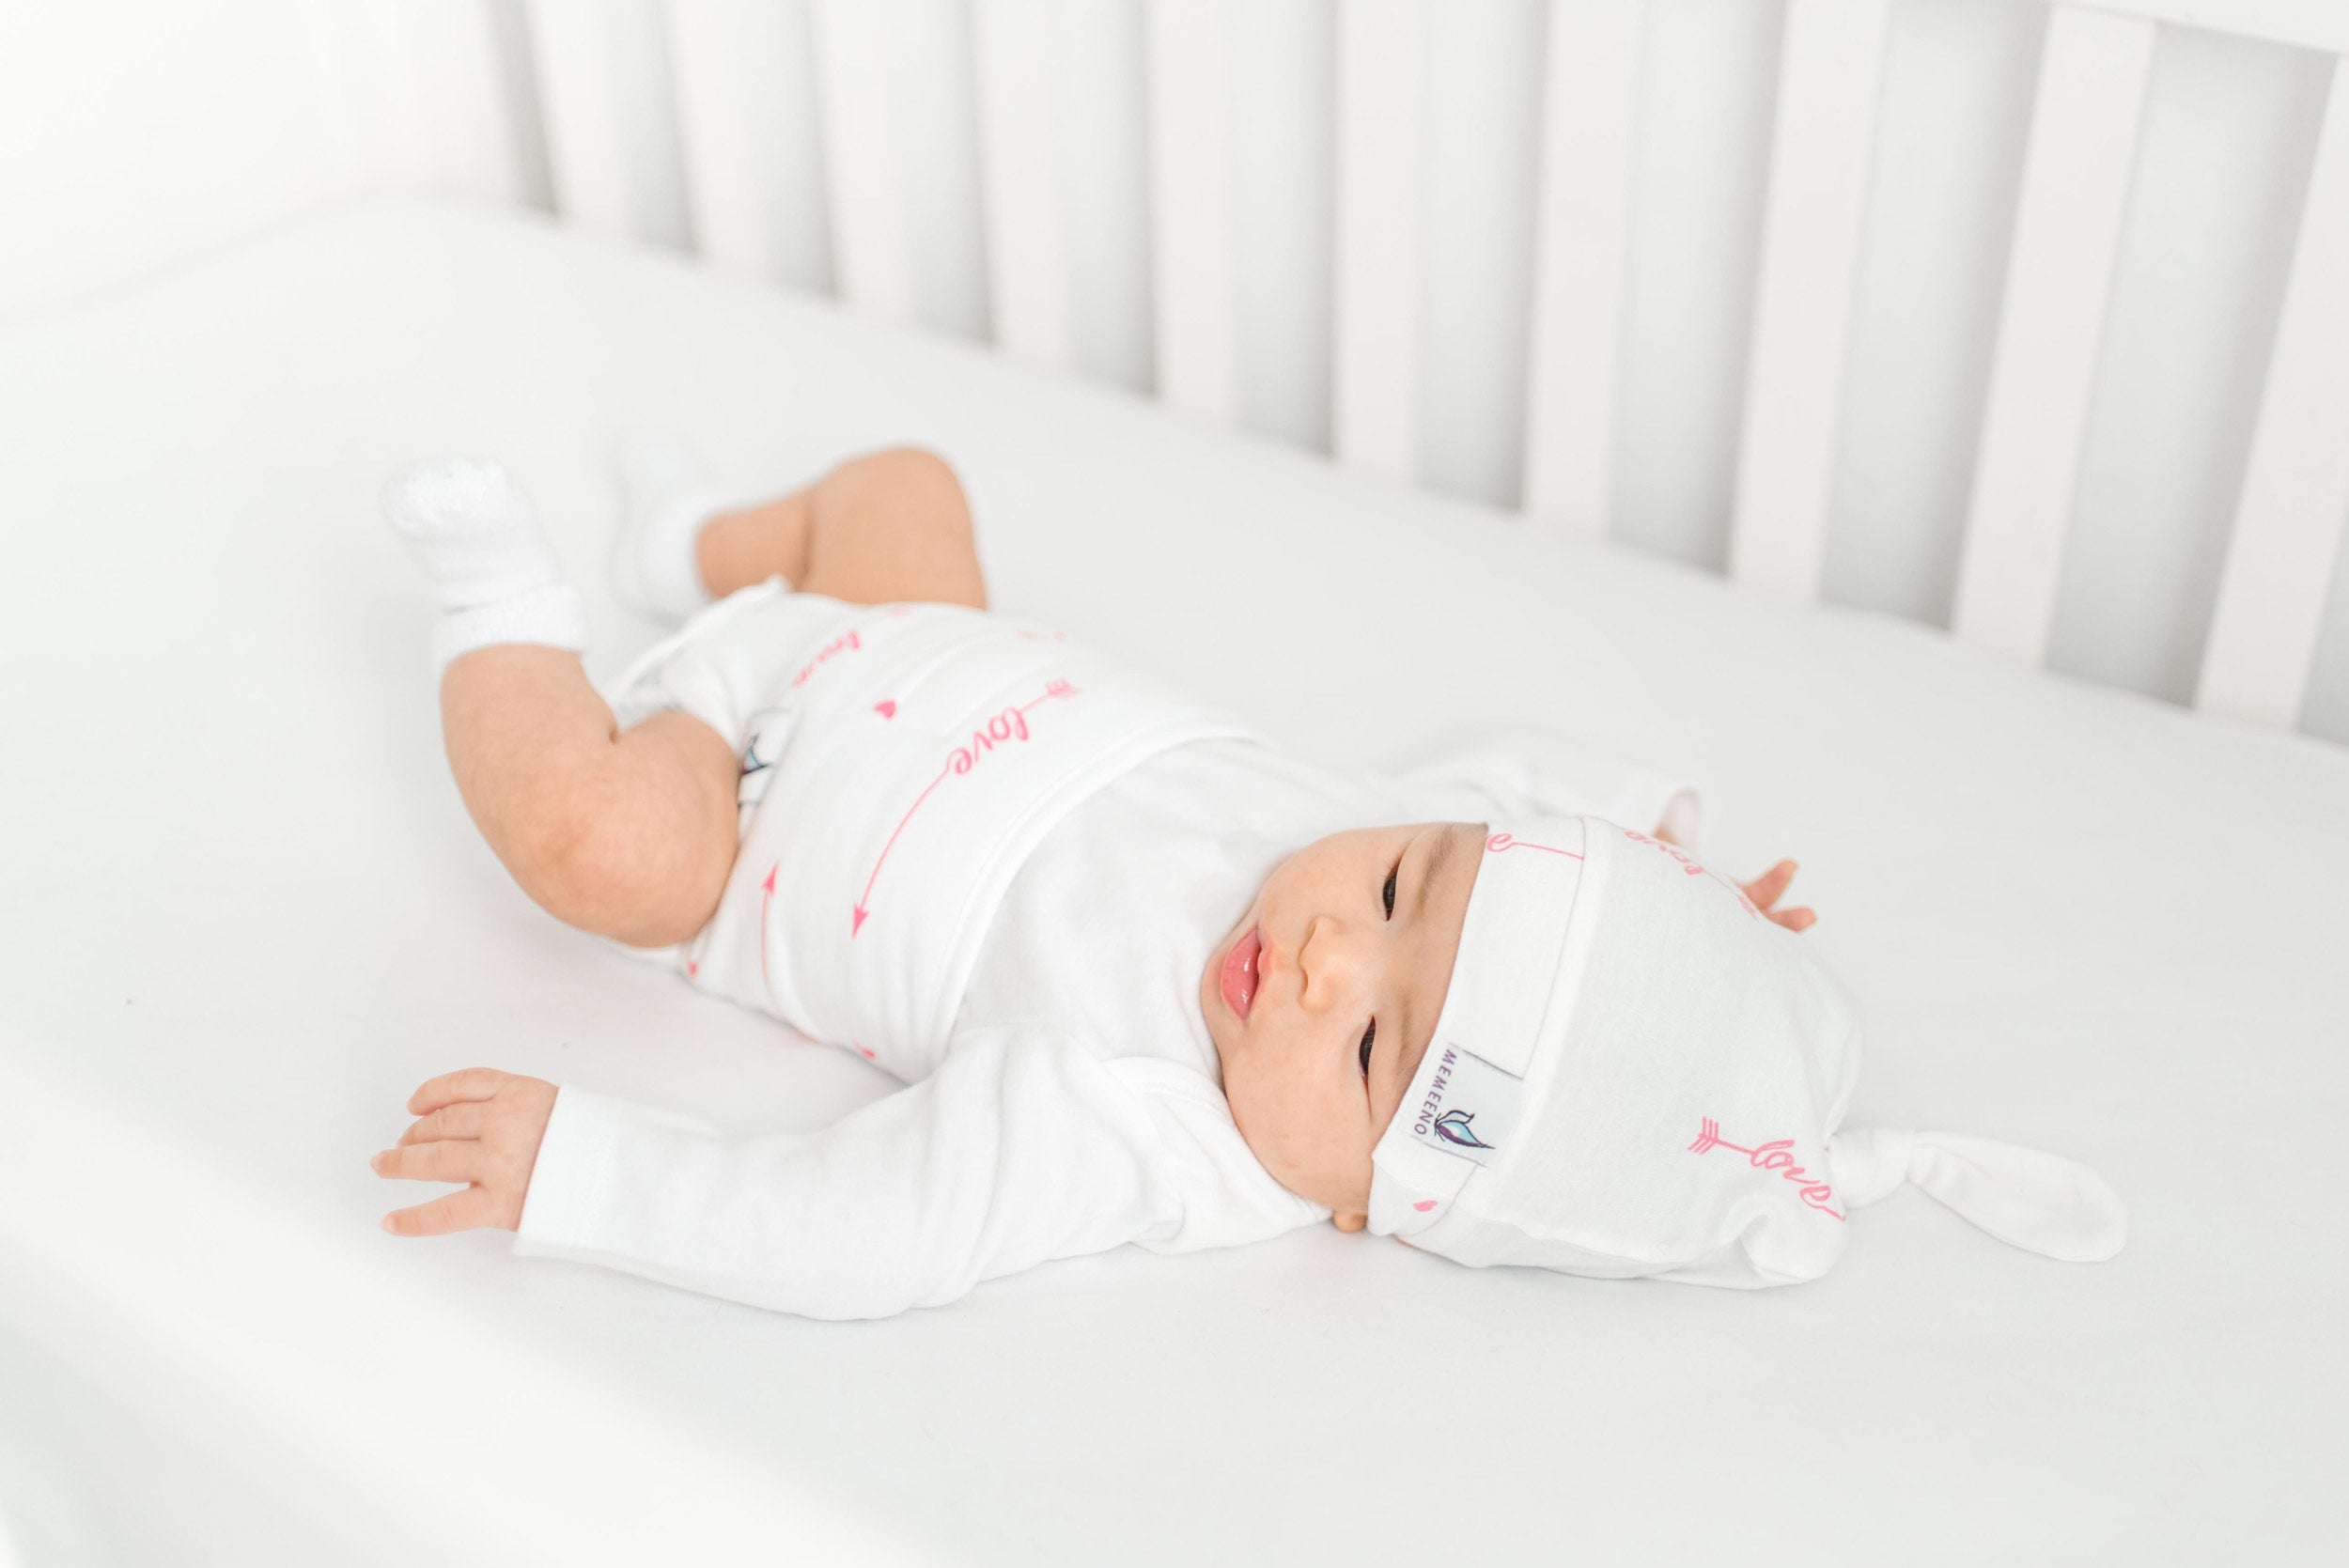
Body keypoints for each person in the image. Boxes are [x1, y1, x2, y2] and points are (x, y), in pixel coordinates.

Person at [370, 442, 2120, 1320]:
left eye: (1368, 1054)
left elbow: (867, 1230)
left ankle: (502, 608)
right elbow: (1522, 792)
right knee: (908, 483)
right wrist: (1685, 873)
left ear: (1374, 1207)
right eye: (1399, 895)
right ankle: (703, 550)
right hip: (911, 632)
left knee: (592, 843)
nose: (1329, 957)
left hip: (742, 815)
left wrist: (596, 1176)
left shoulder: (1150, 1125)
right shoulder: (1399, 832)